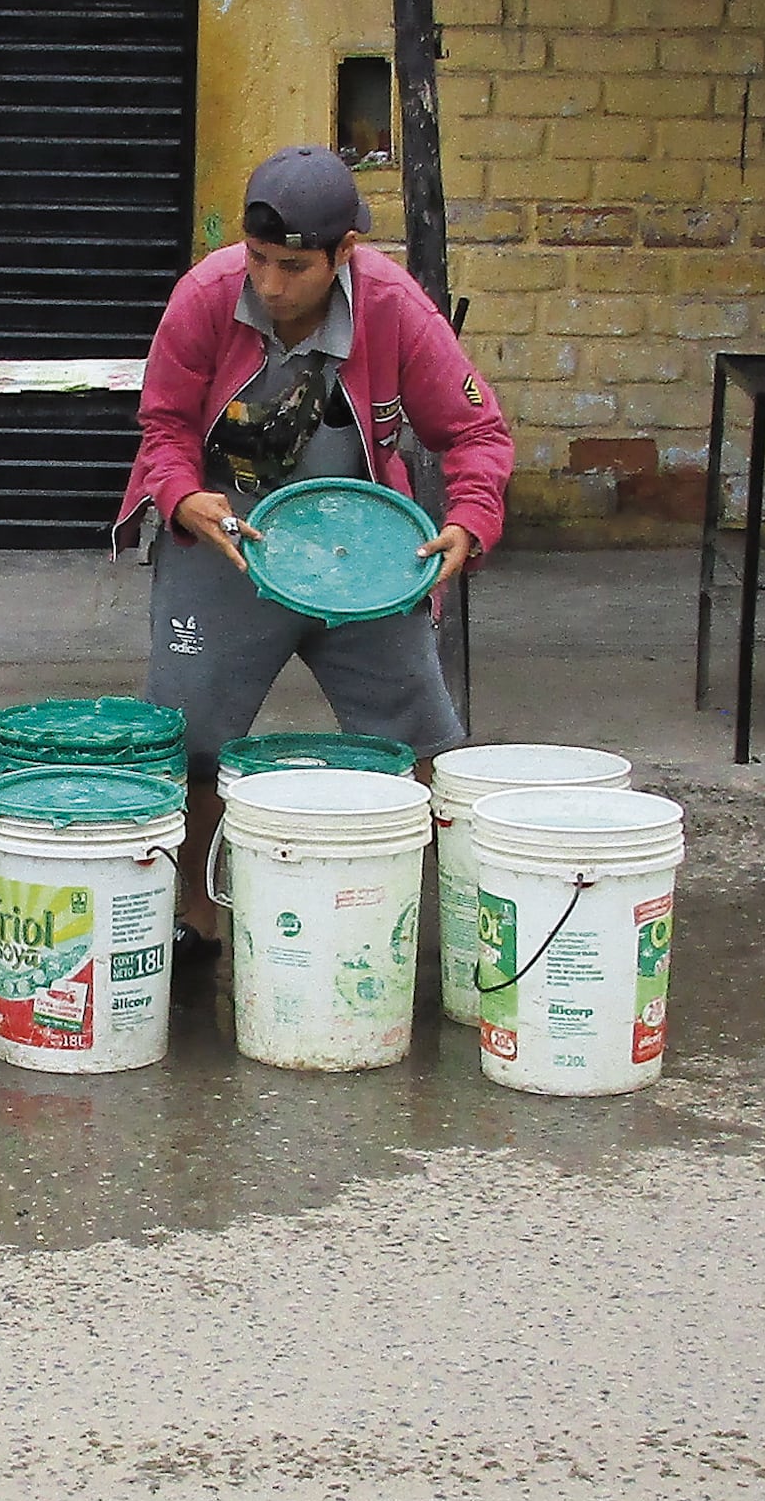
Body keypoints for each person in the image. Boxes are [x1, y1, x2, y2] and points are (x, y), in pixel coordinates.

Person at [121, 147, 512, 937]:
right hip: (229, 539)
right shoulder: (203, 296)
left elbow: (476, 430)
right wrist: (183, 496)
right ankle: (196, 914)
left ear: (345, 253)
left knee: (417, 738)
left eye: (294, 267)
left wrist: (469, 520)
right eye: (259, 260)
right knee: (192, 739)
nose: (270, 285)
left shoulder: (394, 305)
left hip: (365, 554)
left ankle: (428, 920)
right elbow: (162, 425)